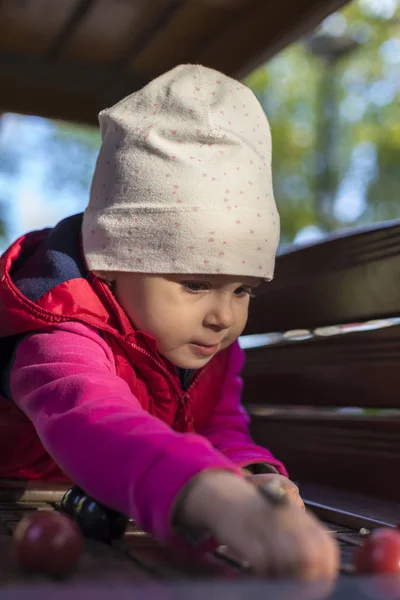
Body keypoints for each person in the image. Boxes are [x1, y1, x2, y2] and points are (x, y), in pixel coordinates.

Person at [0, 64, 338, 579]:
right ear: (114, 264)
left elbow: (220, 427)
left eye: (243, 289)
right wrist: (214, 494)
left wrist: (253, 474)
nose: (223, 316)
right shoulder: (56, 335)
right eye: (196, 285)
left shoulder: (204, 345)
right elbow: (95, 422)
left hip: (94, 516)